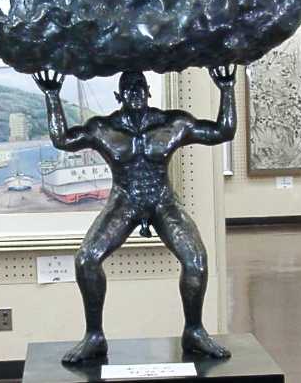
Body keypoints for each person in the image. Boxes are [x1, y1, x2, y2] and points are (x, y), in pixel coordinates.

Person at [33, 65, 237, 363]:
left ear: (149, 90)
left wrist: (227, 88)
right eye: (129, 88)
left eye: (140, 86)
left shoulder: (172, 124)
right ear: (119, 96)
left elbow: (222, 131)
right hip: (125, 201)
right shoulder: (103, 128)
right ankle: (94, 336)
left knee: (197, 261)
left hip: (162, 201)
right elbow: (63, 140)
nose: (136, 92)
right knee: (86, 260)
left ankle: (194, 331)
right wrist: (52, 96)